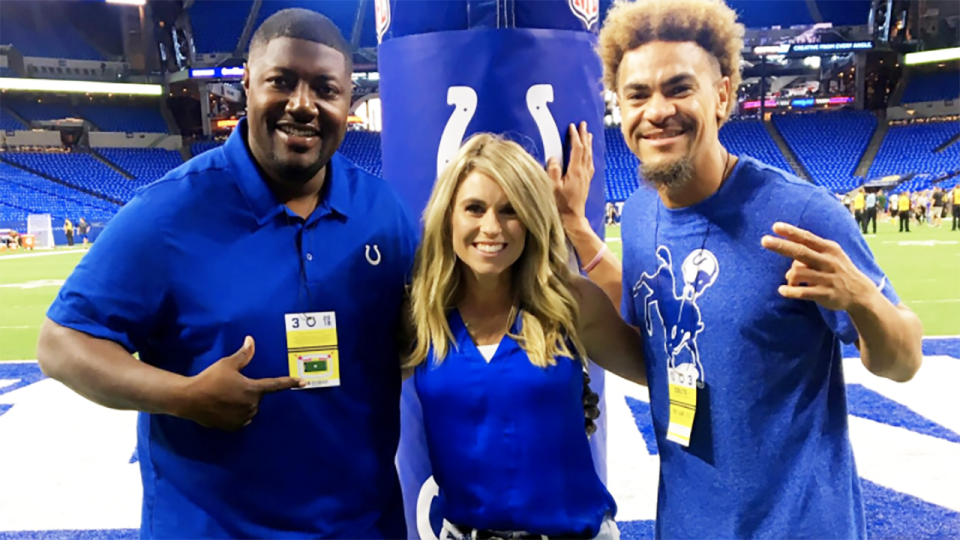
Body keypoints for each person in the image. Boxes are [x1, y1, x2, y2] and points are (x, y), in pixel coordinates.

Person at [37, 9, 418, 539]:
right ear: (248, 86)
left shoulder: (382, 210)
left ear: (346, 99)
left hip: (362, 525)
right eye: (281, 82)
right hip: (213, 528)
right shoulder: (169, 211)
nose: (303, 105)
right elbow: (60, 343)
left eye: (325, 89)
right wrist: (181, 395)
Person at [553, 0, 925, 538]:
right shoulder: (638, 213)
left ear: (723, 94)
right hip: (686, 524)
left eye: (679, 88)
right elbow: (652, 338)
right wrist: (581, 233)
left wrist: (864, 301)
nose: (657, 111)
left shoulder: (800, 214)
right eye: (638, 94)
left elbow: (905, 360)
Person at [405, 132, 645, 540]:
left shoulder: (569, 300)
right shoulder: (420, 313)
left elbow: (658, 368)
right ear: (449, 216)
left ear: (532, 218)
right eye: (474, 209)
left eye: (510, 210)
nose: (491, 227)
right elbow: (354, 398)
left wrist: (579, 229)